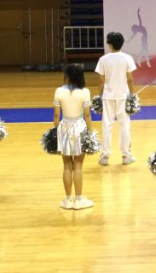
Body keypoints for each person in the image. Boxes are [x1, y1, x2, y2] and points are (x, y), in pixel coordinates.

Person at [54, 63, 94, 210]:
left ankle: (67, 200)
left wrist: (54, 133)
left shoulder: (59, 91)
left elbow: (56, 115)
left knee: (66, 166)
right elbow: (87, 115)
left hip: (64, 128)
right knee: (78, 165)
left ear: (67, 76)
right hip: (79, 128)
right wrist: (90, 133)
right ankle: (78, 199)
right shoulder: (85, 92)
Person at [95, 31, 136, 166]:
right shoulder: (127, 58)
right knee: (125, 126)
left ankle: (105, 156)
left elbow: (101, 81)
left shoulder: (103, 59)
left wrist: (100, 96)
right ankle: (126, 156)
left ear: (110, 44)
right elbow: (130, 80)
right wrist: (132, 95)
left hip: (108, 96)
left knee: (107, 125)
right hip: (123, 96)